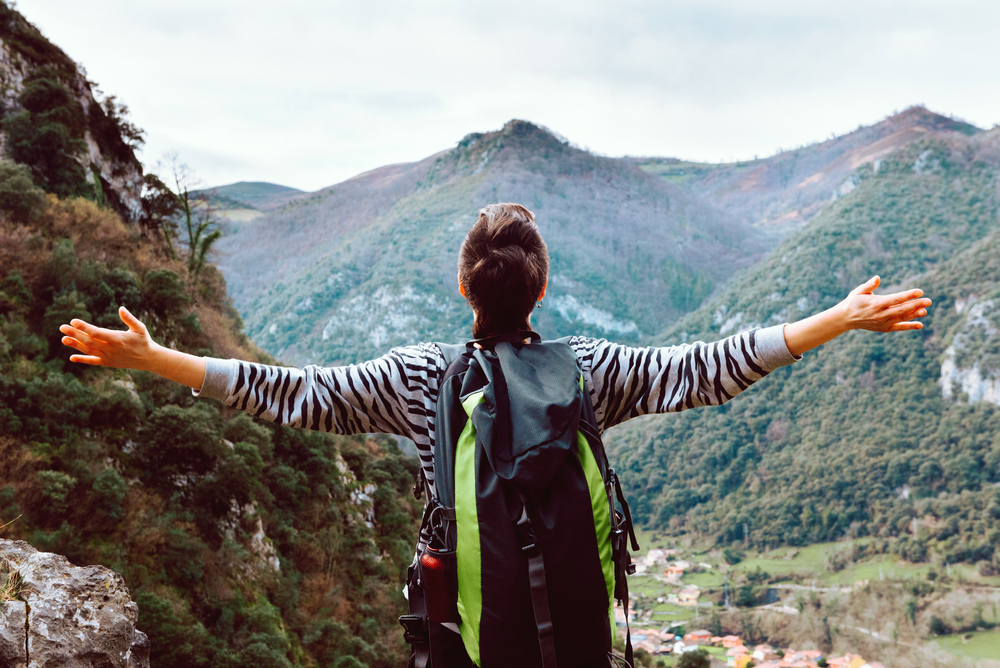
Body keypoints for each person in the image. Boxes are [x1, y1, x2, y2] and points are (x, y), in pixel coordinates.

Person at [59, 203, 930, 661]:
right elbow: (712, 366)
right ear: (539, 292)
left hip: (472, 644)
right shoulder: (589, 369)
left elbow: (286, 393)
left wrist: (153, 358)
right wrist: (837, 317)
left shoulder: (416, 379)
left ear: (466, 292)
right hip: (582, 645)